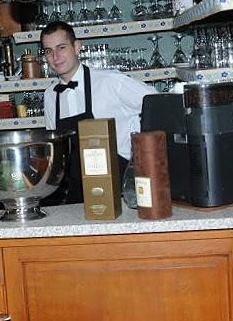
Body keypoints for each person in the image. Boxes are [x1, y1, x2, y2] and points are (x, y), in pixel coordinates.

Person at [41, 21, 156, 204]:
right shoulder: (50, 95)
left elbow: (157, 104)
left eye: (61, 47)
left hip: (120, 191)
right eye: (49, 51)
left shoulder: (110, 82)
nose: (55, 56)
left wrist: (145, 157)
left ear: (76, 47)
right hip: (75, 196)